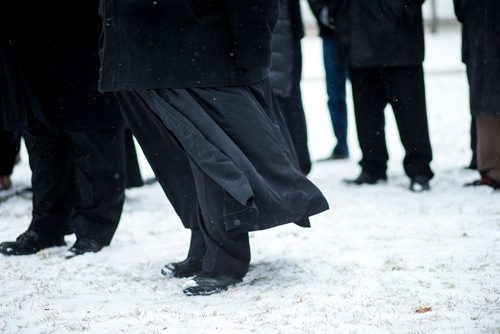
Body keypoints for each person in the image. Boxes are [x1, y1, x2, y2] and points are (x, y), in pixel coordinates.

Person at [99, 0, 329, 295]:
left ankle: (223, 261)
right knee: (181, 163)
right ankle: (204, 249)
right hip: (145, 52)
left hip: (203, 53)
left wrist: (253, 51)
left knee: (213, 160)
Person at [0, 0, 127, 257]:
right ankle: (47, 224)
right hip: (24, 30)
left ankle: (94, 227)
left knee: (89, 124)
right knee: (39, 131)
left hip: (80, 28)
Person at [333, 0, 434, 192]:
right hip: (358, 37)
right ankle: (373, 166)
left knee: (411, 114)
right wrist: (330, 12)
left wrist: (401, 8)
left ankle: (419, 168)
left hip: (401, 40)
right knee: (366, 113)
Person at [455, 0, 500, 189]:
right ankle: (490, 169)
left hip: (483, 34)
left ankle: (491, 169)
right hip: (479, 38)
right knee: (485, 106)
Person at [270, 0, 312, 174]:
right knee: (287, 103)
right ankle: (296, 163)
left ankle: (296, 163)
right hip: (282, 34)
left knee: (285, 103)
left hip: (279, 36)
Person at [308, 0, 349, 160]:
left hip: (358, 32)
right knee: (335, 96)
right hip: (331, 34)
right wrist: (326, 14)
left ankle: (373, 154)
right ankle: (341, 146)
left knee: (368, 95)